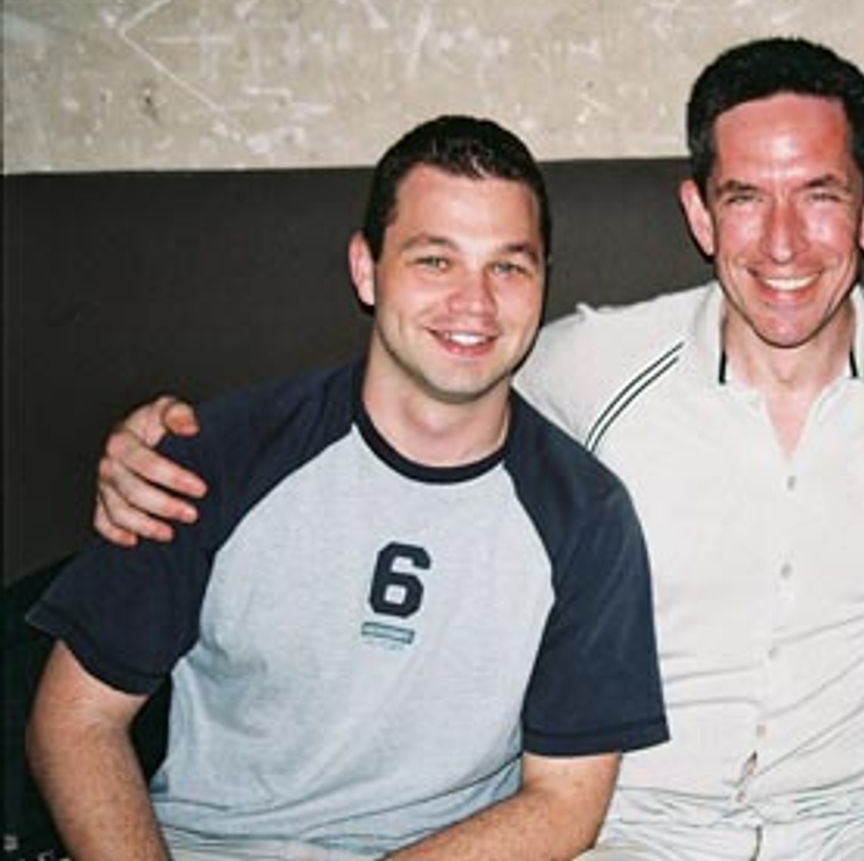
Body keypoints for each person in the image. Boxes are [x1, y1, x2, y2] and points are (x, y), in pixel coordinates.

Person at [87, 39, 864, 859]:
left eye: (819, 193)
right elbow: (422, 378)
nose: (782, 242)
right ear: (696, 211)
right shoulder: (580, 365)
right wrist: (158, 442)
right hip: (632, 825)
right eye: (742, 196)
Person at [26, 116, 669, 860]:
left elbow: (564, 803)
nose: (475, 303)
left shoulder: (586, 515)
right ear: (367, 269)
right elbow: (75, 722)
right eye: (435, 260)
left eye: (508, 267)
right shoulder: (215, 457)